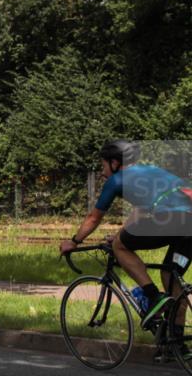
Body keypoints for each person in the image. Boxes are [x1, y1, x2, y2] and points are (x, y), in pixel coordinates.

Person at [61, 140, 192, 361]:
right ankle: (176, 347)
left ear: (114, 163)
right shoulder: (151, 171)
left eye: (103, 166)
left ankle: (153, 297)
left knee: (119, 246)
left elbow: (94, 218)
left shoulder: (117, 179)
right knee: (171, 278)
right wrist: (123, 232)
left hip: (170, 220)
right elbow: (141, 210)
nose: (102, 172)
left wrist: (74, 241)